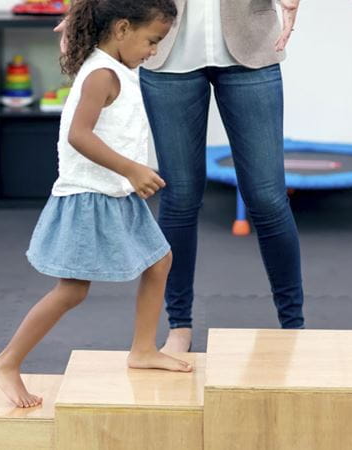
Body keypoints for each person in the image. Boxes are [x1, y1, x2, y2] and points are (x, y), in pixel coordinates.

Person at [0, 0, 190, 409]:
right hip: (90, 196)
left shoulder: (115, 66)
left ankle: (143, 349)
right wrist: (132, 169)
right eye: (151, 41)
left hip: (115, 192)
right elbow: (79, 135)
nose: (153, 51)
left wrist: (130, 175)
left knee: (160, 261)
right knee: (72, 290)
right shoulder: (101, 74)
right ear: (121, 29)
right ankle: (6, 362)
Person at [139, 0, 306, 354]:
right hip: (167, 48)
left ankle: (294, 326)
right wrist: (81, 14)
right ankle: (179, 326)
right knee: (180, 197)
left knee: (268, 198)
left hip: (251, 46)